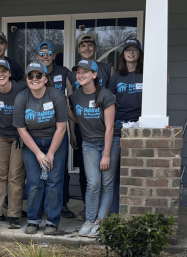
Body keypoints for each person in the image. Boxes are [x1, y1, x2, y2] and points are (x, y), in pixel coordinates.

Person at [14, 61, 69, 235]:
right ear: (27, 79)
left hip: (55, 141)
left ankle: (52, 222)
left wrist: (51, 153)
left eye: (39, 75)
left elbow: (62, 127)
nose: (34, 78)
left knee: (53, 181)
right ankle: (33, 220)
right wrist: (38, 153)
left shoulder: (56, 95)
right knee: (34, 182)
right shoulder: (22, 97)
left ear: (46, 78)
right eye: (31, 75)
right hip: (31, 142)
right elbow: (21, 130)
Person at [66, 33, 115, 221]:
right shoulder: (72, 75)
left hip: (105, 127)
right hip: (84, 129)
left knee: (107, 179)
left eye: (89, 45)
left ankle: (104, 214)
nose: (86, 48)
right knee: (88, 175)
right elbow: (73, 105)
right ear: (78, 49)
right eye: (82, 45)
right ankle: (89, 210)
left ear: (95, 48)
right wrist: (72, 132)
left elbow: (111, 97)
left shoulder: (107, 69)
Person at [35, 41, 76, 219]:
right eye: (41, 53)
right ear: (37, 56)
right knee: (39, 172)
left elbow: (71, 100)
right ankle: (41, 206)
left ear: (53, 55)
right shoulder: (33, 73)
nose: (45, 56)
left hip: (60, 128)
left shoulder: (63, 72)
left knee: (60, 171)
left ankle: (62, 203)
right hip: (39, 128)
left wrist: (72, 132)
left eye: (48, 53)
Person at [0, 59, 29, 230]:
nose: (1, 74)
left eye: (4, 71)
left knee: (15, 176)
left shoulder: (21, 88)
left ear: (10, 73)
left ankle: (14, 215)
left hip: (19, 135)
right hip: (0, 134)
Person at [107, 38, 144, 214]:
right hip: (118, 127)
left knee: (137, 171)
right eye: (127, 50)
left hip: (139, 126)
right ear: (123, 54)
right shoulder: (115, 78)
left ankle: (134, 213)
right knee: (114, 173)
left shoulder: (146, 75)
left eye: (134, 49)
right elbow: (110, 105)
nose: (131, 52)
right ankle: (114, 215)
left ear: (139, 53)